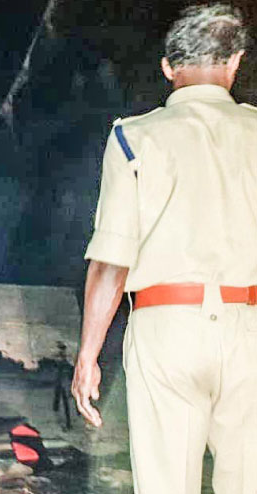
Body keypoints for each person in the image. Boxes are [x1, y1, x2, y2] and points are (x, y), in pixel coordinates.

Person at [71, 5, 257, 494]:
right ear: (235, 62)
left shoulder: (133, 138)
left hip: (167, 328)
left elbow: (111, 260)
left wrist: (88, 355)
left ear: (168, 68)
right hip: (250, 326)